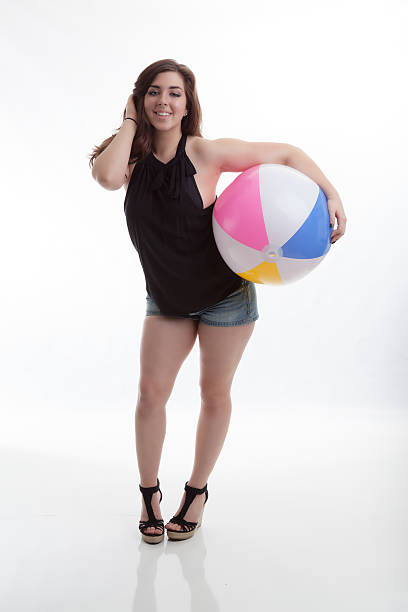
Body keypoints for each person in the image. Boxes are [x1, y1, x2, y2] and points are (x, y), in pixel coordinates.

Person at [89, 59, 347, 545]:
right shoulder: (131, 159)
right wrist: (128, 121)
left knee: (213, 394)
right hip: (167, 299)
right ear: (140, 99)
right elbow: (105, 178)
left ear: (189, 105)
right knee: (150, 396)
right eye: (153, 92)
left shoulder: (205, 153)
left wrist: (330, 193)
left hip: (225, 296)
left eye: (175, 93)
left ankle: (197, 491)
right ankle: (149, 495)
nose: (163, 101)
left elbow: (287, 154)